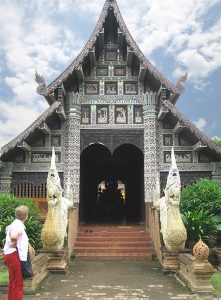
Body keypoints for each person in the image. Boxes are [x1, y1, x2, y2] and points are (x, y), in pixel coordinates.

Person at [3, 205, 30, 300]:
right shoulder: (18, 225)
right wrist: (13, 243)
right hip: (13, 255)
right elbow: (14, 236)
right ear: (26, 215)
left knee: (13, 282)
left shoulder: (15, 224)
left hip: (10, 254)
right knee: (18, 284)